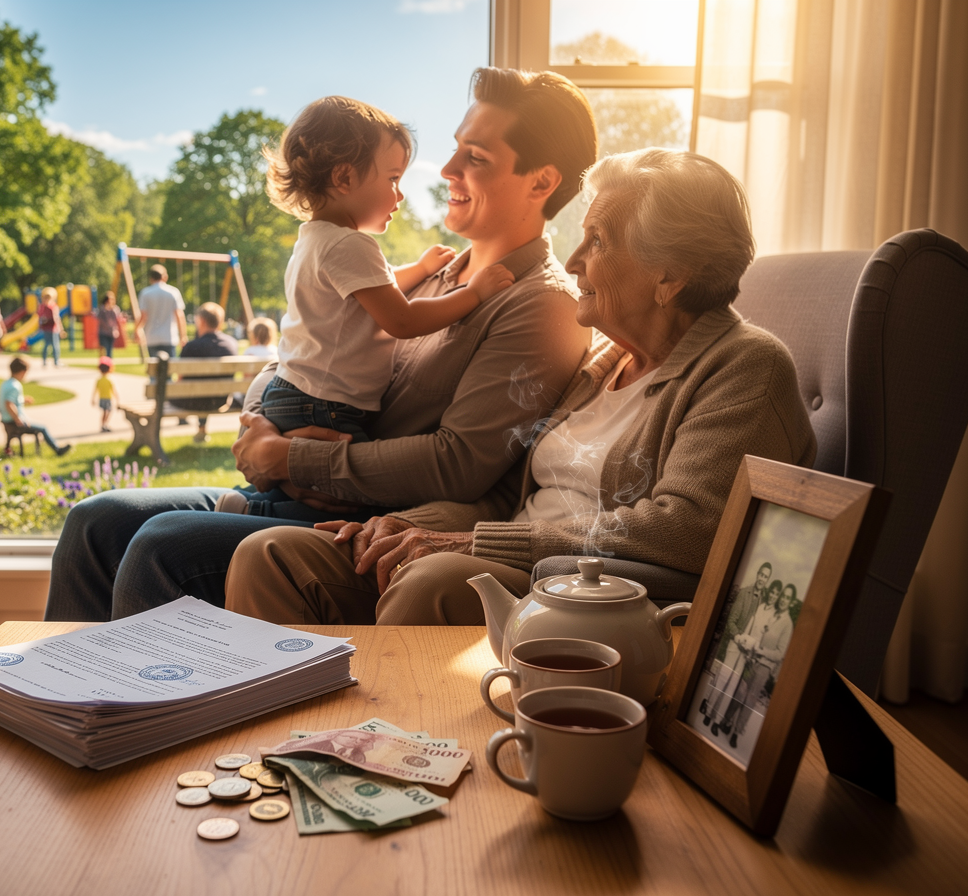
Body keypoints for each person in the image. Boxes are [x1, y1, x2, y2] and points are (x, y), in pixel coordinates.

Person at [43, 67, 598, 623]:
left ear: (540, 182)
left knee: (165, 544)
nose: (447, 169)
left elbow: (459, 465)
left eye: (474, 157)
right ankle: (53, 701)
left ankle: (131, 707)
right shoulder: (426, 275)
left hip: (358, 518)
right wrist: (259, 418)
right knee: (95, 521)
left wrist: (291, 457)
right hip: (294, 489)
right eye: (455, 148)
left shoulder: (540, 306)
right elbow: (308, 347)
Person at [224, 147, 818, 627]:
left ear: (671, 276)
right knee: (270, 557)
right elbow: (508, 496)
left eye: (600, 240)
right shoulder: (603, 364)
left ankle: (393, 756)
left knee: (432, 582)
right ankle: (285, 754)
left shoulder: (743, 367)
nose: (577, 258)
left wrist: (479, 545)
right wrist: (410, 523)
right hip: (510, 557)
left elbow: (686, 530)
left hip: (591, 592)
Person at [252, 95, 513, 452]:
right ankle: (264, 511)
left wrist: (420, 269)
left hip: (298, 393)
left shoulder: (316, 238)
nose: (400, 194)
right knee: (348, 489)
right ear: (344, 177)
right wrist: (474, 293)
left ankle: (257, 506)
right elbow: (402, 320)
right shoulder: (350, 245)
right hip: (324, 404)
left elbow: (376, 288)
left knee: (311, 485)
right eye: (392, 179)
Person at [727, 582, 797, 748]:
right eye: (783, 596)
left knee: (750, 699)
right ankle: (726, 720)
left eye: (787, 597)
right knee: (740, 692)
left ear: (791, 602)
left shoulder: (788, 625)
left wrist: (762, 650)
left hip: (764, 667)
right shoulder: (772, 613)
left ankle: (736, 732)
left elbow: (780, 654)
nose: (783, 600)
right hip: (752, 660)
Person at [701, 562, 771, 725]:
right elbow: (731, 621)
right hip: (735, 643)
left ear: (767, 580)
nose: (762, 578)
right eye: (761, 574)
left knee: (731, 686)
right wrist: (738, 636)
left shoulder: (763, 601)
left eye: (765, 577)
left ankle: (715, 716)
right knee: (722, 679)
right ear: (757, 575)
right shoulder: (745, 593)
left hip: (746, 651)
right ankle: (708, 707)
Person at [177, 302, 239, 444]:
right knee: (205, 389)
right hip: (221, 400)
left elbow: (180, 378)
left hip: (192, 402)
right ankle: (202, 430)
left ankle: (201, 431)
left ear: (202, 321)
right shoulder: (231, 344)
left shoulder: (191, 347)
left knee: (197, 389)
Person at [0, 357, 71, 456]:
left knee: (40, 427)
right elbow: (9, 403)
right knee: (43, 428)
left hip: (6, 420)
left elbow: (9, 401)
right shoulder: (15, 386)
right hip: (14, 422)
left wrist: (23, 400)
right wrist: (18, 419)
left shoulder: (6, 383)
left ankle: (8, 449)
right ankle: (57, 449)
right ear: (22, 372)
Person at [135, 264, 185, 358]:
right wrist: (183, 335)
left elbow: (143, 316)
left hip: (152, 337)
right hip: (169, 337)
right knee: (170, 368)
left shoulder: (145, 293)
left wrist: (137, 329)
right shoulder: (173, 292)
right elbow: (179, 315)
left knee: (155, 369)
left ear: (151, 278)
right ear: (165, 277)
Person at [37, 288, 63, 367]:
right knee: (53, 345)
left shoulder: (45, 306)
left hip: (51, 328)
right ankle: (54, 361)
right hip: (50, 328)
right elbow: (55, 319)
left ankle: (50, 361)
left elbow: (57, 319)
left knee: (51, 345)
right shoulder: (48, 307)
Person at [95, 291, 124, 358]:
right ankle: (103, 362)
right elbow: (100, 319)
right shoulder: (102, 309)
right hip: (103, 332)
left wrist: (116, 330)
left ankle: (108, 363)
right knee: (104, 348)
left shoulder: (115, 309)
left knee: (109, 349)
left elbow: (116, 320)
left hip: (111, 333)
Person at [93, 358, 119, 433]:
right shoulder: (109, 379)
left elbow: (95, 390)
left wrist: (93, 399)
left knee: (105, 412)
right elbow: (114, 391)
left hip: (101, 399)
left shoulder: (99, 380)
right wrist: (117, 399)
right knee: (107, 412)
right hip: (108, 399)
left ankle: (103, 425)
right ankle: (104, 425)